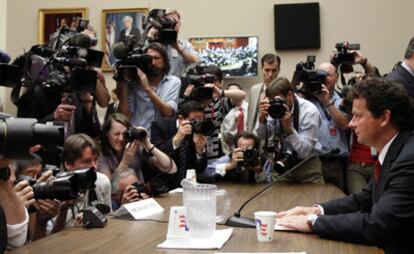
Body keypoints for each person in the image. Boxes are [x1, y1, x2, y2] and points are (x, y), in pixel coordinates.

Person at [276, 78, 414, 254]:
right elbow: (364, 199)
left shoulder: (409, 160)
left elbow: (377, 225)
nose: (351, 123)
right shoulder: (397, 148)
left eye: (358, 116)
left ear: (384, 118)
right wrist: (316, 210)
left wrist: (313, 222)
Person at [256, 77, 323, 183]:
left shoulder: (309, 111)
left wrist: (289, 128)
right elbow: (262, 138)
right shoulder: (271, 108)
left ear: (290, 95)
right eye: (272, 101)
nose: (276, 105)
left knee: (313, 198)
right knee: (277, 198)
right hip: (280, 162)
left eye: (279, 101)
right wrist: (261, 120)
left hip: (306, 166)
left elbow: (304, 152)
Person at [117, 42, 181, 132]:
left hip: (161, 139)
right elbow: (123, 117)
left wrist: (147, 88)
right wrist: (124, 87)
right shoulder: (134, 83)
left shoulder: (173, 82)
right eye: (149, 59)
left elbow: (168, 113)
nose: (153, 63)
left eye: (156, 58)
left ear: (165, 62)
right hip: (137, 136)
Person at [99, 113, 177, 180]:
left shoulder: (135, 148)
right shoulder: (101, 153)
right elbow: (108, 189)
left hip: (140, 195)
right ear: (107, 133)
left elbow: (171, 168)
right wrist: (125, 162)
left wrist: (148, 145)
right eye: (116, 134)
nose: (121, 138)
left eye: (124, 134)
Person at [310, 62, 350, 191]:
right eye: (321, 74)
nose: (325, 78)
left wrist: (327, 102)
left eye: (329, 75)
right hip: (315, 161)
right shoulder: (308, 101)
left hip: (338, 161)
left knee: (338, 200)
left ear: (337, 77)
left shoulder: (344, 99)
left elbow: (345, 124)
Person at [151, 100, 208, 187]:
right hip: (163, 184)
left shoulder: (199, 131)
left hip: (187, 186)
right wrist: (176, 139)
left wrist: (199, 151)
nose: (198, 124)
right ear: (181, 119)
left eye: (200, 120)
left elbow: (200, 169)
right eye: (193, 121)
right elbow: (154, 156)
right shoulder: (160, 125)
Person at [147, 9, 198, 77]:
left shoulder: (185, 45)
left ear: (180, 24)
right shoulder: (151, 43)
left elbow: (195, 62)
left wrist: (178, 48)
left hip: (177, 85)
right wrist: (151, 41)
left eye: (175, 22)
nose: (173, 25)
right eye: (169, 22)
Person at [206, 132, 272, 183]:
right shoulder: (230, 158)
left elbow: (269, 187)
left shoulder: (262, 161)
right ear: (235, 149)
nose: (246, 153)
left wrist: (260, 172)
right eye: (242, 150)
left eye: (249, 150)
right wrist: (229, 165)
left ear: (256, 150)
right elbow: (206, 172)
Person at [247, 53, 280, 132]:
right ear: (262, 69)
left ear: (279, 70)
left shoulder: (284, 91)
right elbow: (250, 118)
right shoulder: (254, 90)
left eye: (274, 70)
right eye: (267, 70)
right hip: (255, 138)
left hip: (275, 138)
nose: (270, 74)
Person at [220, 83, 248, 154]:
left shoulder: (251, 109)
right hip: (235, 152)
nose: (233, 95)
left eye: (235, 92)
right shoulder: (228, 116)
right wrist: (234, 123)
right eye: (230, 93)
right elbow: (228, 140)